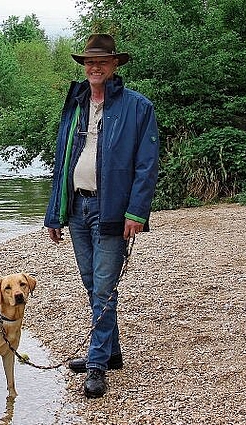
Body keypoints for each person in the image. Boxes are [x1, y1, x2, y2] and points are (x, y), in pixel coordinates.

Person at [44, 34, 159, 398]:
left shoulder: (138, 107)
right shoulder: (76, 104)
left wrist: (136, 211)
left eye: (102, 61)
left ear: (114, 65)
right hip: (77, 206)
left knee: (104, 287)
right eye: (89, 62)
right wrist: (54, 213)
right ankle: (111, 354)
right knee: (94, 285)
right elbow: (62, 159)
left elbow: (147, 165)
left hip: (112, 210)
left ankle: (96, 365)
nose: (94, 67)